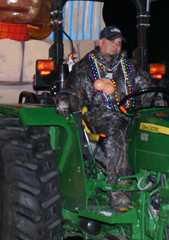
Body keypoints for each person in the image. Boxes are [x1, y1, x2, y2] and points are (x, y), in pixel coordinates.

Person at [54, 25, 157, 210]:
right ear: (100, 42)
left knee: (152, 129)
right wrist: (65, 100)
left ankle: (153, 187)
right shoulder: (85, 67)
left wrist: (157, 100)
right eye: (111, 42)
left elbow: (146, 88)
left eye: (118, 43)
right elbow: (72, 91)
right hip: (100, 116)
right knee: (116, 130)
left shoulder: (130, 66)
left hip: (131, 115)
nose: (115, 46)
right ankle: (119, 191)